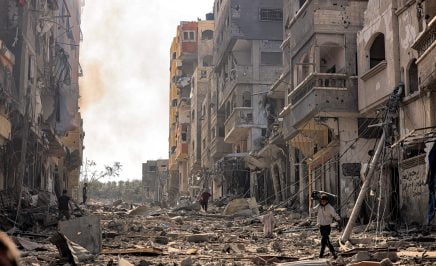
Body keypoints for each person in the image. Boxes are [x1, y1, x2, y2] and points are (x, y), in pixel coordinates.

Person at [313, 194, 340, 259]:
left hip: (327, 226)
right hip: (321, 226)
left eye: (324, 201)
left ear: (327, 201)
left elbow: (335, 215)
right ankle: (333, 253)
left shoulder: (330, 207)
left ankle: (321, 255)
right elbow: (312, 210)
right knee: (326, 240)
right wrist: (311, 203)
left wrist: (339, 222)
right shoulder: (319, 206)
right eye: (322, 201)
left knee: (323, 240)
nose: (323, 202)